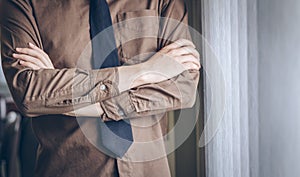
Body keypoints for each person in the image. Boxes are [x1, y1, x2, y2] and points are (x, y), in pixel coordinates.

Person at [1, 0, 200, 177]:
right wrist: (145, 71)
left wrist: (62, 98)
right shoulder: (22, 4)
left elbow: (184, 86)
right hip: (67, 168)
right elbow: (29, 92)